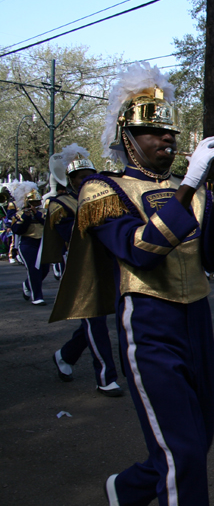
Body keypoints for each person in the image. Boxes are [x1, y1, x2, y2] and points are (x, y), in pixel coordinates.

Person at [49, 63, 214, 506]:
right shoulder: (102, 189)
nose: (166, 138)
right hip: (150, 320)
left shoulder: (193, 189)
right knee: (182, 452)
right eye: (152, 131)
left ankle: (127, 489)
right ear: (126, 137)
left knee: (196, 441)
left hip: (198, 318)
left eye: (169, 131)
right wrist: (190, 184)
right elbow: (141, 250)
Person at [47, 144, 122, 396]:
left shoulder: (103, 196)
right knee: (95, 320)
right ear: (70, 180)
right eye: (81, 177)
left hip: (109, 262)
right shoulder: (60, 204)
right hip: (82, 267)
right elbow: (71, 234)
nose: (86, 181)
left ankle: (65, 355)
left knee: (102, 317)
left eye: (90, 176)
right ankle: (105, 377)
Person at [9, 181, 49, 305]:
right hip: (28, 243)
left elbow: (48, 225)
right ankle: (37, 297)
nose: (35, 205)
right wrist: (26, 217)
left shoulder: (44, 212)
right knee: (34, 269)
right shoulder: (20, 214)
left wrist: (36, 214)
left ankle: (27, 284)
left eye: (37, 202)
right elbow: (17, 230)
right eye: (33, 203)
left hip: (42, 243)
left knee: (45, 270)